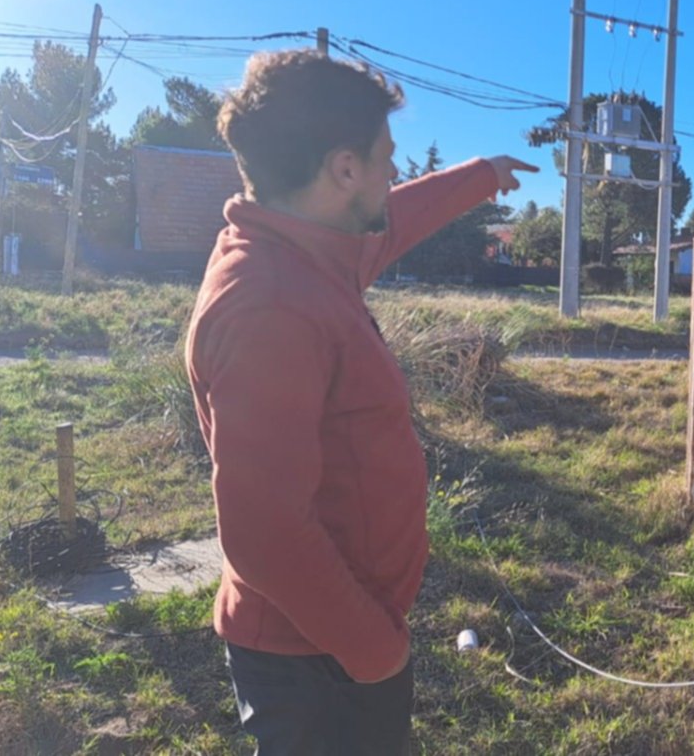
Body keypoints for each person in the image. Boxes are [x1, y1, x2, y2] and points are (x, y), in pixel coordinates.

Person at [185, 49, 537, 754]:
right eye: (385, 158)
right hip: (318, 658)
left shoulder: (306, 252)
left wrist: (480, 177)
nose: (394, 173)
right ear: (344, 168)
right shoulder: (271, 303)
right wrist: (374, 650)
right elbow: (264, 530)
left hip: (333, 639)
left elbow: (392, 221)